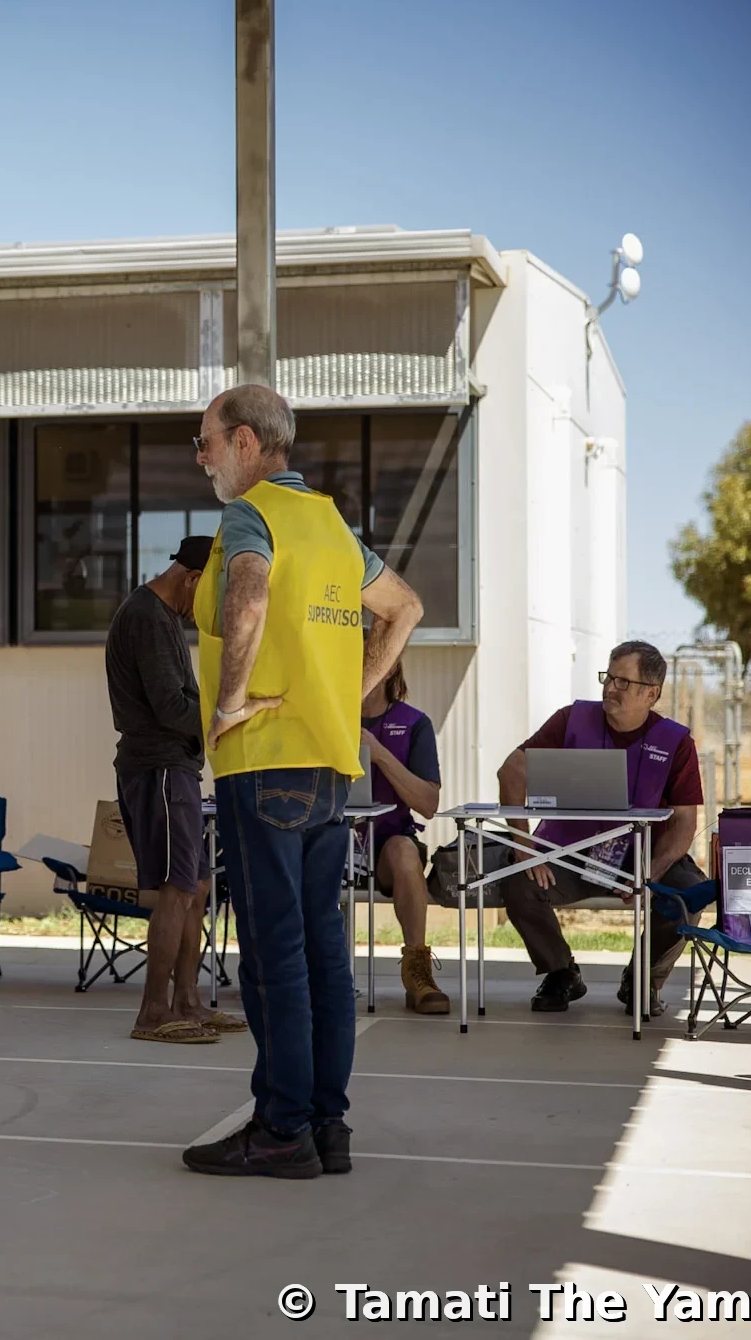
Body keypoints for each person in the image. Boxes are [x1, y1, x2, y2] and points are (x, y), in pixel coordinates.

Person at [182, 384, 424, 1180]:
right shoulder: (329, 525)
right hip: (329, 767)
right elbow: (406, 607)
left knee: (273, 956)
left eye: (208, 441)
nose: (203, 457)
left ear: (247, 442)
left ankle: (282, 1126)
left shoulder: (251, 515)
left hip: (265, 760)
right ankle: (327, 1124)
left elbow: (246, 598)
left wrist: (229, 702)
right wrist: (346, 691)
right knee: (324, 953)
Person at [496, 641, 709, 1018]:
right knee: (517, 881)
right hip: (570, 855)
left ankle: (643, 981)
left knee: (689, 892)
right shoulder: (569, 720)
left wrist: (652, 871)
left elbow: (684, 822)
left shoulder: (676, 743)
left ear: (651, 694)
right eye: (608, 678)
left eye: (623, 682)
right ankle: (561, 973)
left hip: (640, 858)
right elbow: (511, 771)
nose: (610, 688)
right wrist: (525, 848)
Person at [105, 535, 244, 1045]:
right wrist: (230, 714)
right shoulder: (147, 618)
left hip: (173, 768)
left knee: (196, 887)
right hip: (160, 769)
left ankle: (187, 1001)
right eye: (210, 594)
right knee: (177, 888)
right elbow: (171, 708)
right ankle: (153, 1012)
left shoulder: (160, 617)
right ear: (192, 579)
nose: (209, 609)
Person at [360, 662, 447, 1015]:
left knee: (404, 852)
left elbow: (427, 803)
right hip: (326, 836)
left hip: (385, 843)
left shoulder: (414, 723)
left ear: (388, 669)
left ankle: (417, 972)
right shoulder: (322, 715)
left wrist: (378, 753)